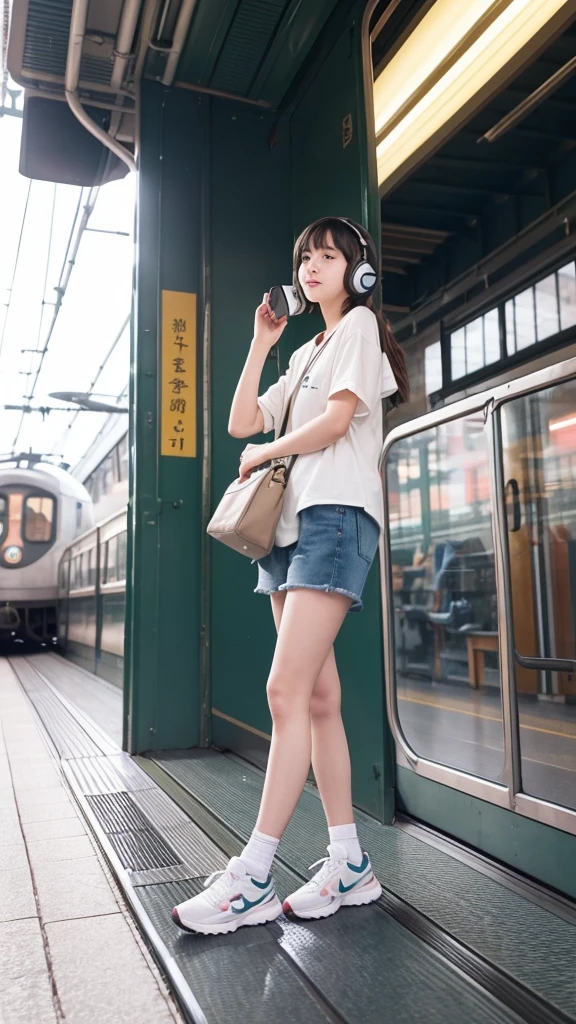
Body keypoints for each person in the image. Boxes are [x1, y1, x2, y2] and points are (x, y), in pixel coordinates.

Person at [172, 216, 409, 936]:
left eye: (327, 256)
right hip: (290, 529)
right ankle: (349, 864)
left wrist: (264, 451)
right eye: (306, 257)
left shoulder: (360, 331)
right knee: (318, 699)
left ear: (357, 271)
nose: (312, 267)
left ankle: (252, 875)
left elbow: (337, 425)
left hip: (335, 518)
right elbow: (244, 419)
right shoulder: (305, 349)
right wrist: (261, 341)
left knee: (286, 689)